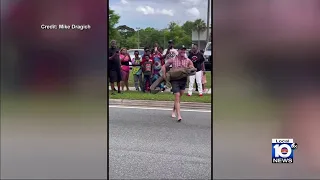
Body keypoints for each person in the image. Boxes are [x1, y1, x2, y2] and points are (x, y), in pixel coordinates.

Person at [161, 46, 194, 122]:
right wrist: (164, 74)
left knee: (178, 98)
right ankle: (179, 115)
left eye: (184, 50)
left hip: (183, 80)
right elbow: (164, 66)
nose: (183, 51)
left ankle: (173, 110)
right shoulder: (173, 59)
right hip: (175, 80)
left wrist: (191, 68)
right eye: (181, 50)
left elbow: (192, 67)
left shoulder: (188, 60)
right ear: (178, 51)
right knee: (177, 95)